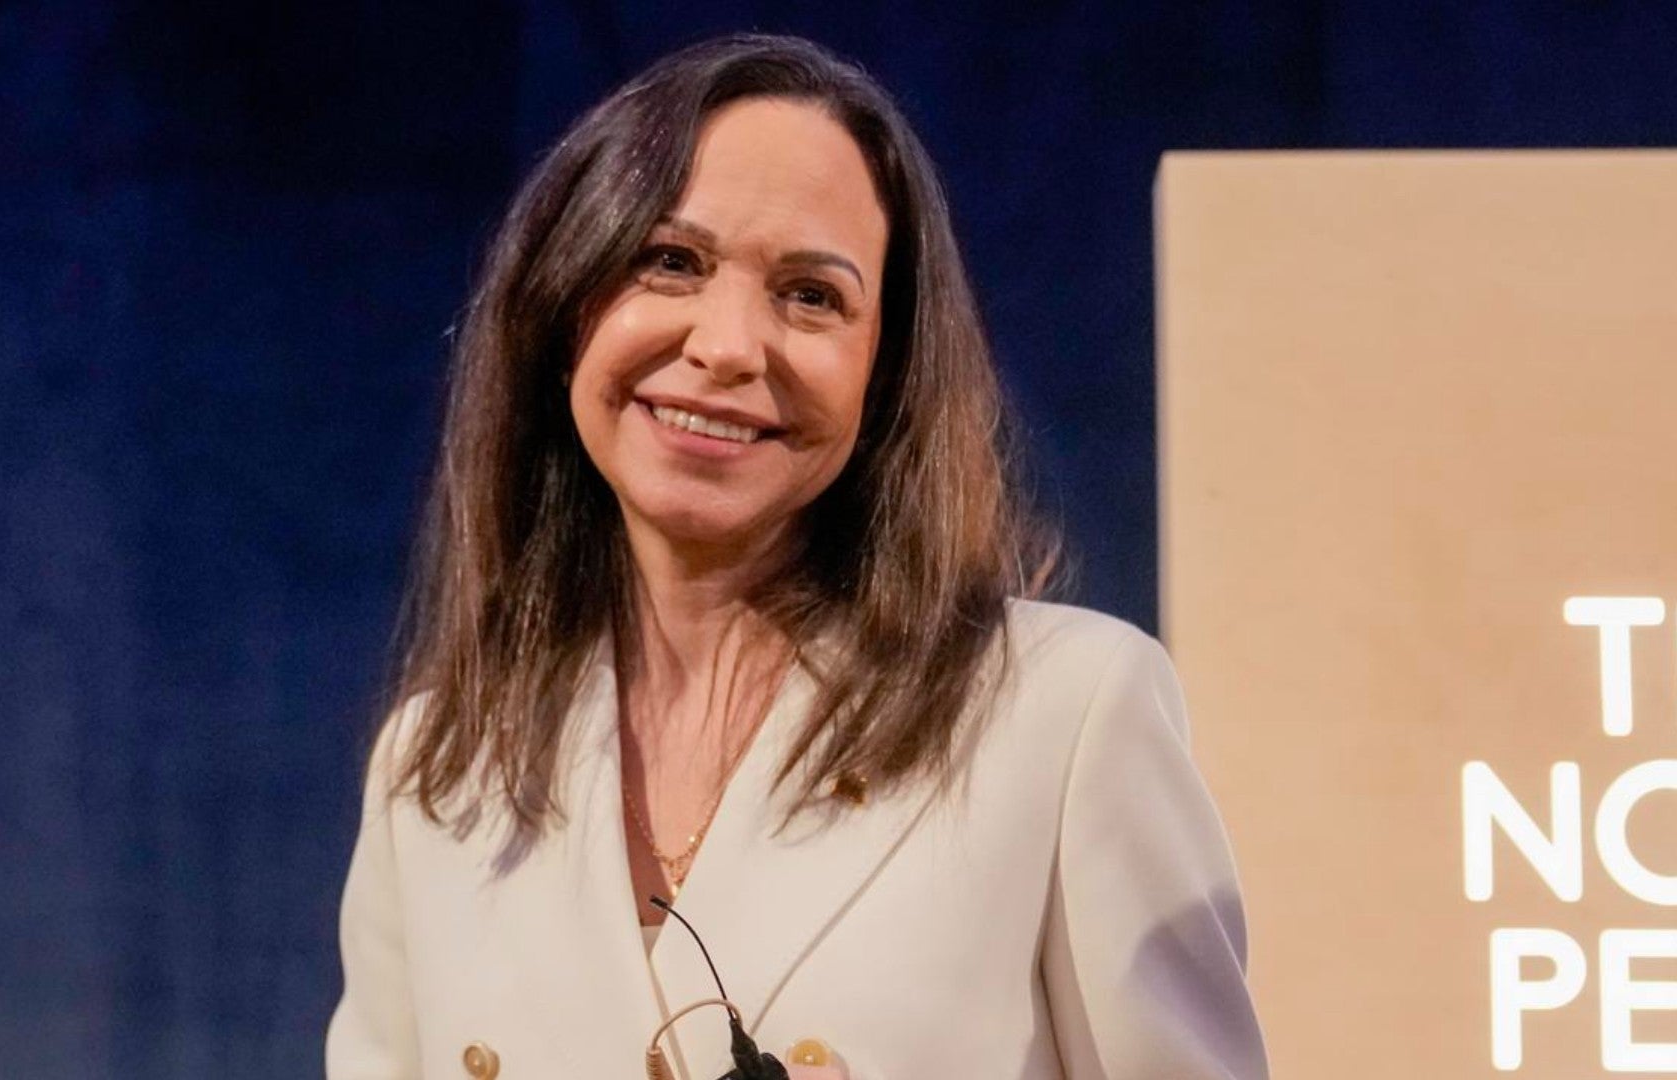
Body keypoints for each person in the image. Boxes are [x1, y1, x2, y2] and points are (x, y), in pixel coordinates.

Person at [327, 33, 1266, 1080]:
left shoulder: (1067, 712)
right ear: (563, 303)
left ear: (886, 368)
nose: (728, 345)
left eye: (811, 295)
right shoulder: (439, 769)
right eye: (668, 261)